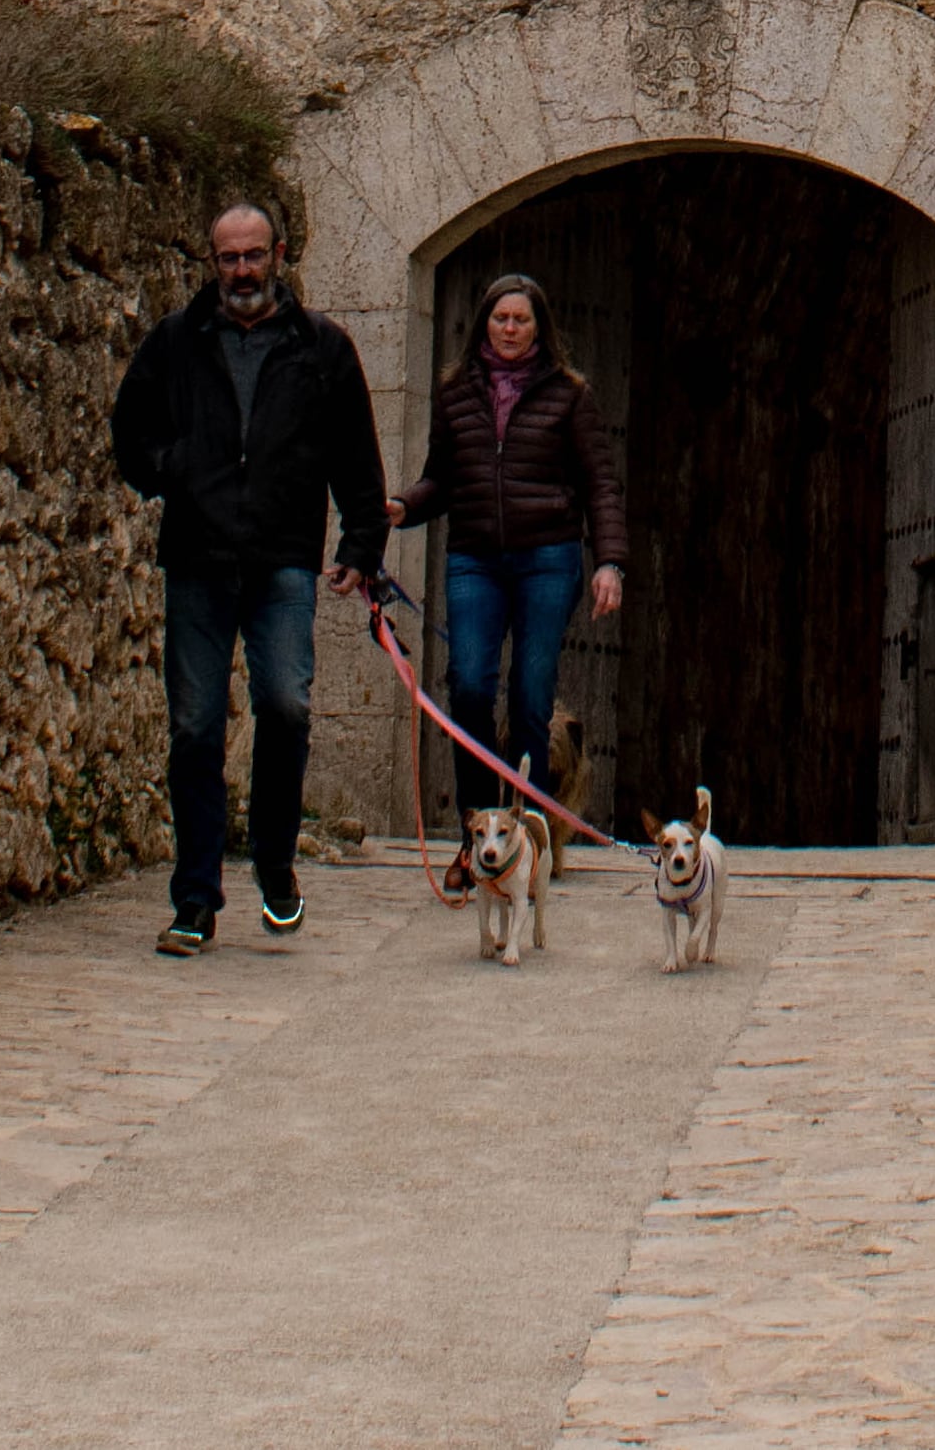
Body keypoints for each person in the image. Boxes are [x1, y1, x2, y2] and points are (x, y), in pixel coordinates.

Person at [109, 202, 386, 957]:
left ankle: (274, 863)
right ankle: (195, 897)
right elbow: (130, 430)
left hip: (283, 560)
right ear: (213, 261)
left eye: (253, 255)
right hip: (197, 558)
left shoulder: (322, 348)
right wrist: (178, 471)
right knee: (195, 726)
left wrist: (362, 541)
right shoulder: (176, 340)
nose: (241, 270)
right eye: (228, 257)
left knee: (285, 706)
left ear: (280, 253)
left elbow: (356, 455)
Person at [384, 272, 625, 859]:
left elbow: (600, 484)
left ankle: (528, 839)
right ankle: (476, 834)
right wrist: (401, 506)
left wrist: (610, 562)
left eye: (521, 319)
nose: (511, 328)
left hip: (549, 558)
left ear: (539, 326)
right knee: (468, 686)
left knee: (531, 697)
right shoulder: (455, 394)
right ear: (484, 324)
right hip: (475, 559)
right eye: (501, 318)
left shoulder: (569, 393)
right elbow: (441, 478)